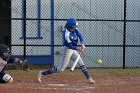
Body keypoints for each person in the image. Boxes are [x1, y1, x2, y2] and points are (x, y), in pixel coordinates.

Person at [37, 18, 95, 84]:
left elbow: (80, 35)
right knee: (60, 69)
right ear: (70, 27)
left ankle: (89, 78)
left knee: (81, 63)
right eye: (74, 27)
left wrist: (82, 44)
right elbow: (70, 46)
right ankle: (42, 73)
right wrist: (79, 48)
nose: (75, 28)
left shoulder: (75, 29)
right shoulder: (67, 34)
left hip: (72, 50)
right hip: (66, 50)